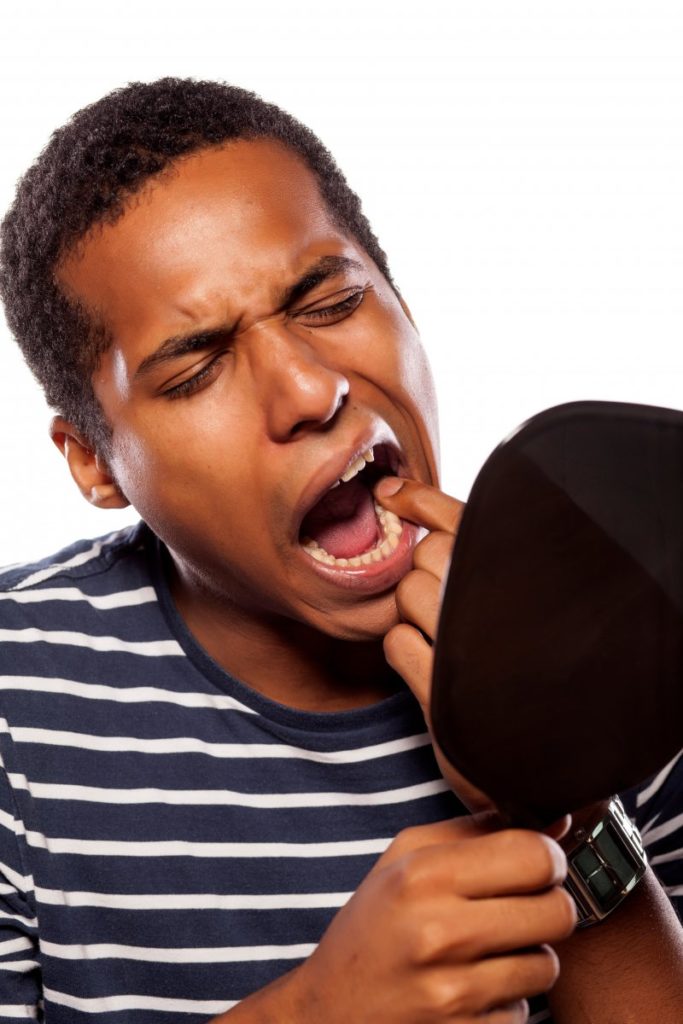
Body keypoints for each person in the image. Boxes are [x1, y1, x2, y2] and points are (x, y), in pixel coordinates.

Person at [0, 77, 680, 1024]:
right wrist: (317, 1010)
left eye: (330, 302)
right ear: (95, 463)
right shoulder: (17, 708)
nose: (310, 391)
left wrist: (555, 795)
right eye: (197, 368)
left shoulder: (628, 624)